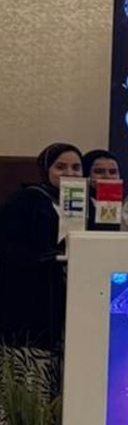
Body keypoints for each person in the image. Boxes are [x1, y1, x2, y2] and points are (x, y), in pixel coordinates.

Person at [0, 143, 80, 351]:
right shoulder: (25, 200)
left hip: (74, 292)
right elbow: (9, 246)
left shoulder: (87, 202)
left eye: (76, 167)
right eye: (60, 167)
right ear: (46, 170)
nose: (69, 173)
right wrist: (46, 258)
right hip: (32, 293)